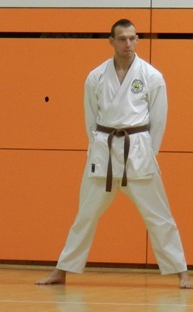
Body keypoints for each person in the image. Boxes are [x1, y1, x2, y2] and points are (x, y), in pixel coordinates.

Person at [36, 19, 191, 289]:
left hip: (138, 152)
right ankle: (61, 270)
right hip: (104, 152)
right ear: (111, 41)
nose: (128, 43)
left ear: (137, 39)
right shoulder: (95, 76)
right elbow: (91, 119)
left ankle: (181, 272)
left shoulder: (152, 76)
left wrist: (149, 153)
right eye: (122, 39)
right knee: (85, 215)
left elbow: (159, 120)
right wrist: (97, 147)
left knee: (159, 216)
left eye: (132, 38)